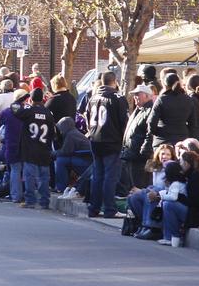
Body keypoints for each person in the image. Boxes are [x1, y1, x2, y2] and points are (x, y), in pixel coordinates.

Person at [85, 71, 129, 219]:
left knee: (98, 175)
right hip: (111, 140)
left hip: (95, 139)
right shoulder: (118, 98)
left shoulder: (93, 97)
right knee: (110, 176)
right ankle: (109, 208)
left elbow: (87, 116)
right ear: (114, 81)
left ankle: (94, 208)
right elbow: (124, 121)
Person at [14, 88, 56, 209]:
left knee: (30, 177)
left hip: (30, 149)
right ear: (43, 99)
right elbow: (53, 134)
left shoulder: (28, 112)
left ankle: (30, 201)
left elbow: (14, 107)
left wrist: (23, 97)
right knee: (44, 177)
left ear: (31, 99)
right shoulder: (48, 114)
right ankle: (44, 202)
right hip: (44, 149)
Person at [148, 72, 199, 148]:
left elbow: (151, 122)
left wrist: (158, 133)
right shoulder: (188, 100)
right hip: (182, 140)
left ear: (164, 85)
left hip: (162, 141)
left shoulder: (161, 100)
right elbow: (193, 124)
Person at [121, 84, 155, 189]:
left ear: (146, 96)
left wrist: (144, 150)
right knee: (132, 183)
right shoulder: (138, 110)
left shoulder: (150, 111)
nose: (135, 97)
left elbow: (150, 132)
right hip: (131, 153)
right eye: (134, 95)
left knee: (138, 184)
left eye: (137, 94)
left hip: (139, 155)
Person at [54, 116, 92, 195]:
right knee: (62, 160)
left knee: (61, 161)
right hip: (85, 159)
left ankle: (61, 187)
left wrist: (51, 153)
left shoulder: (71, 135)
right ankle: (62, 186)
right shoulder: (73, 133)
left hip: (86, 161)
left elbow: (65, 152)